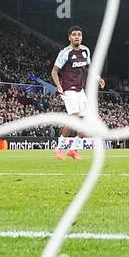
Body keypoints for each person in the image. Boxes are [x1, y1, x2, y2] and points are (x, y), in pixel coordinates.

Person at [50, 25, 105, 160]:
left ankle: (73, 149)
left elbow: (88, 67)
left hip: (80, 90)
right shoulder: (65, 53)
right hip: (68, 89)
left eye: (79, 35)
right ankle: (59, 148)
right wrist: (58, 86)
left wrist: (98, 78)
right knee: (74, 117)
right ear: (69, 37)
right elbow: (54, 71)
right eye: (74, 34)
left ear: (82, 37)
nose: (76, 37)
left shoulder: (85, 51)